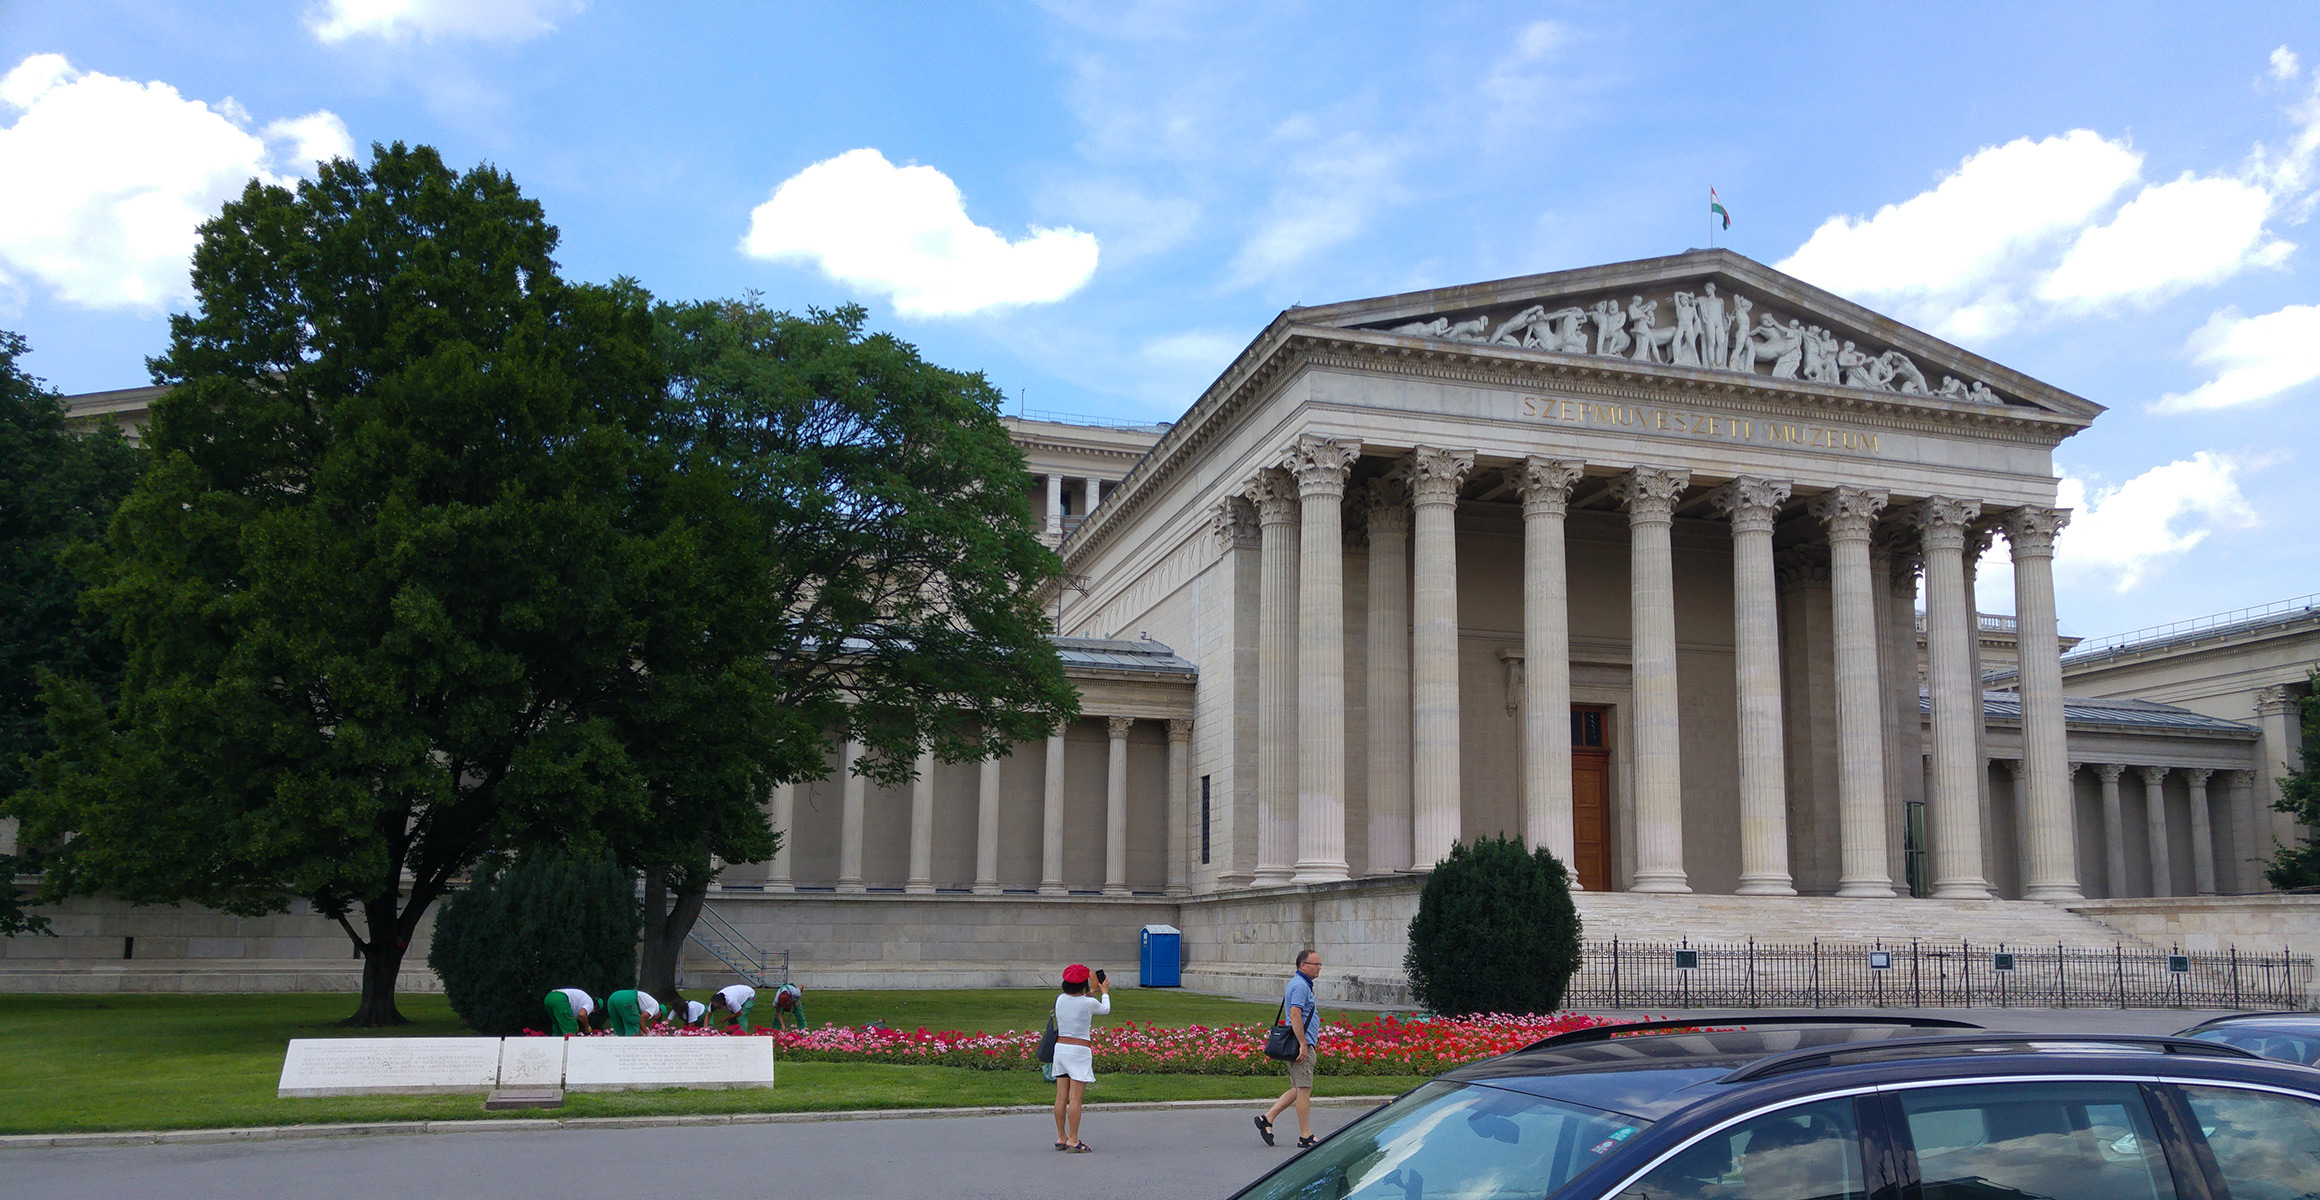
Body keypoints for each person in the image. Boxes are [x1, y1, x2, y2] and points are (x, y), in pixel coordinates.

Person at [1256, 949, 1324, 1150]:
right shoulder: (1301, 986)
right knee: (1303, 1091)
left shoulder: (1300, 984)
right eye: (1315, 964)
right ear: (1303, 965)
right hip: (1299, 1045)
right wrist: (1303, 1044)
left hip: (1303, 1044)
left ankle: (1267, 1119)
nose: (1319, 968)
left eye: (1320, 964)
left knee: (1297, 1088)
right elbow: (1295, 1015)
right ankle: (1305, 1136)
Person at [1051, 963, 1110, 1153]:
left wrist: (1090, 993)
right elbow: (1105, 1009)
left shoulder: (1060, 1000)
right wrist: (1105, 991)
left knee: (1061, 1097)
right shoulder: (1088, 1003)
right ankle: (1074, 1139)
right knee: (1075, 1099)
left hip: (1060, 1049)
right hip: (1079, 1051)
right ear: (1084, 983)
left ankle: (1062, 1136)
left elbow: (1077, 1004)